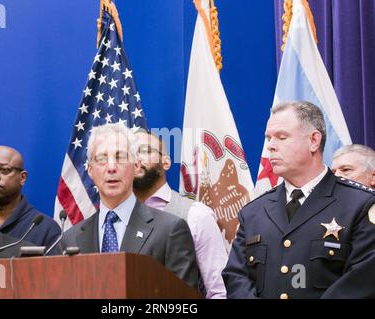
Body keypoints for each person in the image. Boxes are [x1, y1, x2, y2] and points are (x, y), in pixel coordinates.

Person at [223, 101, 375, 299]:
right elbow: (236, 277)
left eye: (281, 137)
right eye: (268, 138)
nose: (270, 146)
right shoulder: (253, 212)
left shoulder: (360, 204)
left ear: (314, 140)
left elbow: (362, 281)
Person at [61, 123, 199, 289]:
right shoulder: (70, 239)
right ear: (90, 170)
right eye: (101, 159)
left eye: (120, 157)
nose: (111, 168)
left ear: (136, 166)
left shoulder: (170, 231)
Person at [133, 130, 227, 299]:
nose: (136, 159)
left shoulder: (196, 215)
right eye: (129, 154)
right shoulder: (115, 218)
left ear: (166, 162)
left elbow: (220, 291)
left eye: (145, 151)